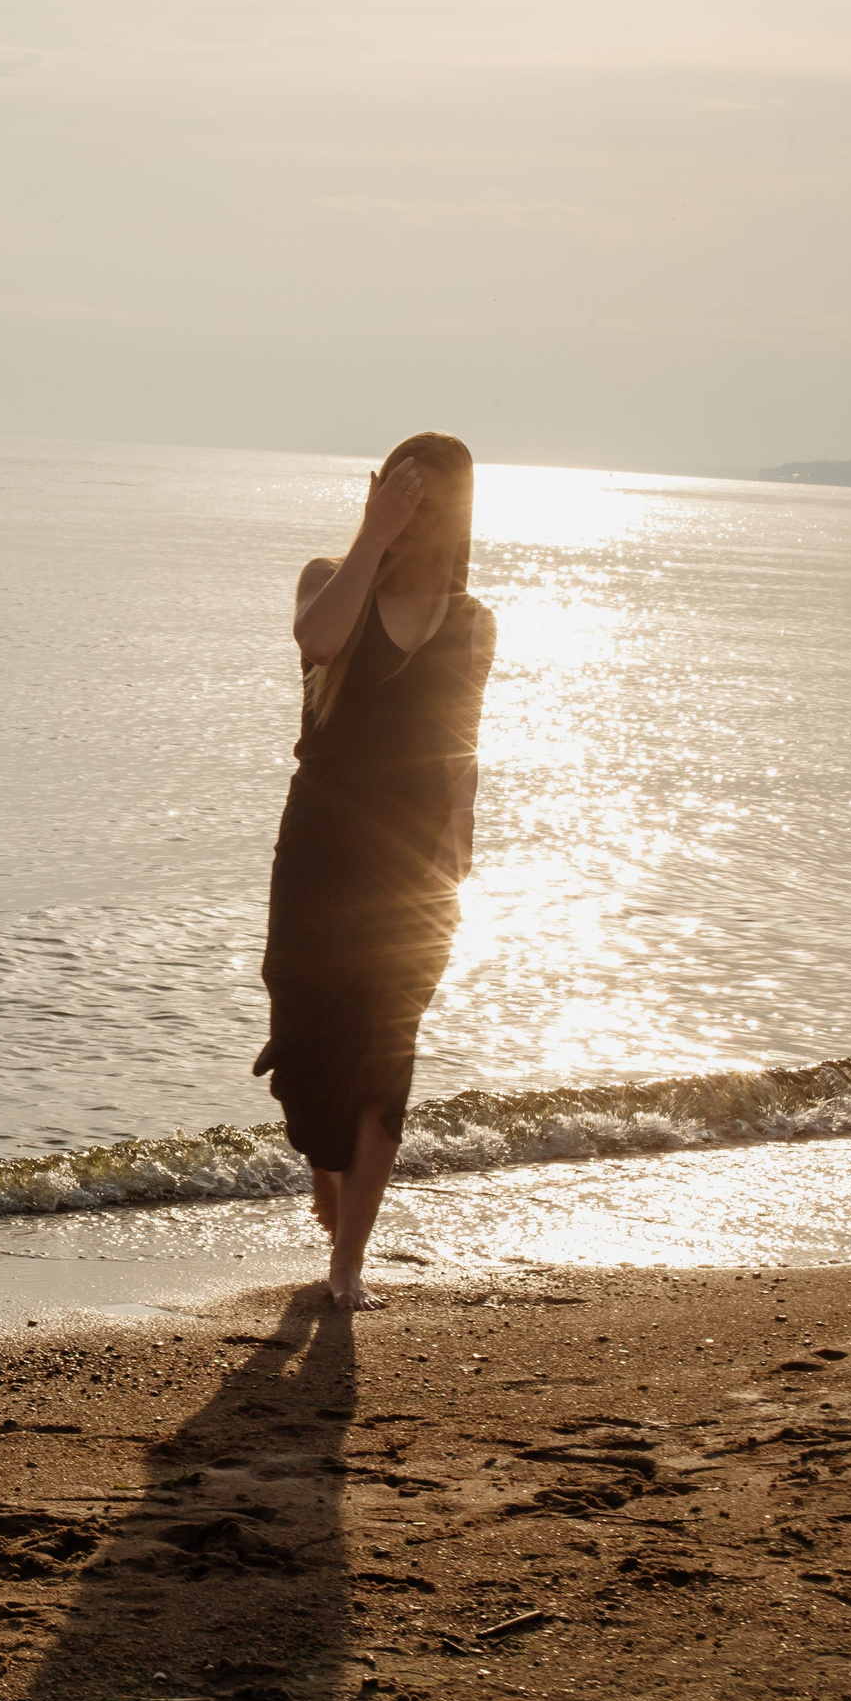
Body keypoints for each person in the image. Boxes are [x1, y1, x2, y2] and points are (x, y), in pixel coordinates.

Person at [255, 432, 495, 1312]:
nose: (414, 514)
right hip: (321, 844)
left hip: (413, 855)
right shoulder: (330, 576)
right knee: (306, 1029)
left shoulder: (472, 620)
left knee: (388, 1051)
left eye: (429, 502)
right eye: (402, 494)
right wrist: (372, 533)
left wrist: (460, 827)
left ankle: (348, 1260)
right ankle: (327, 1164)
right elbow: (317, 642)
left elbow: (461, 735)